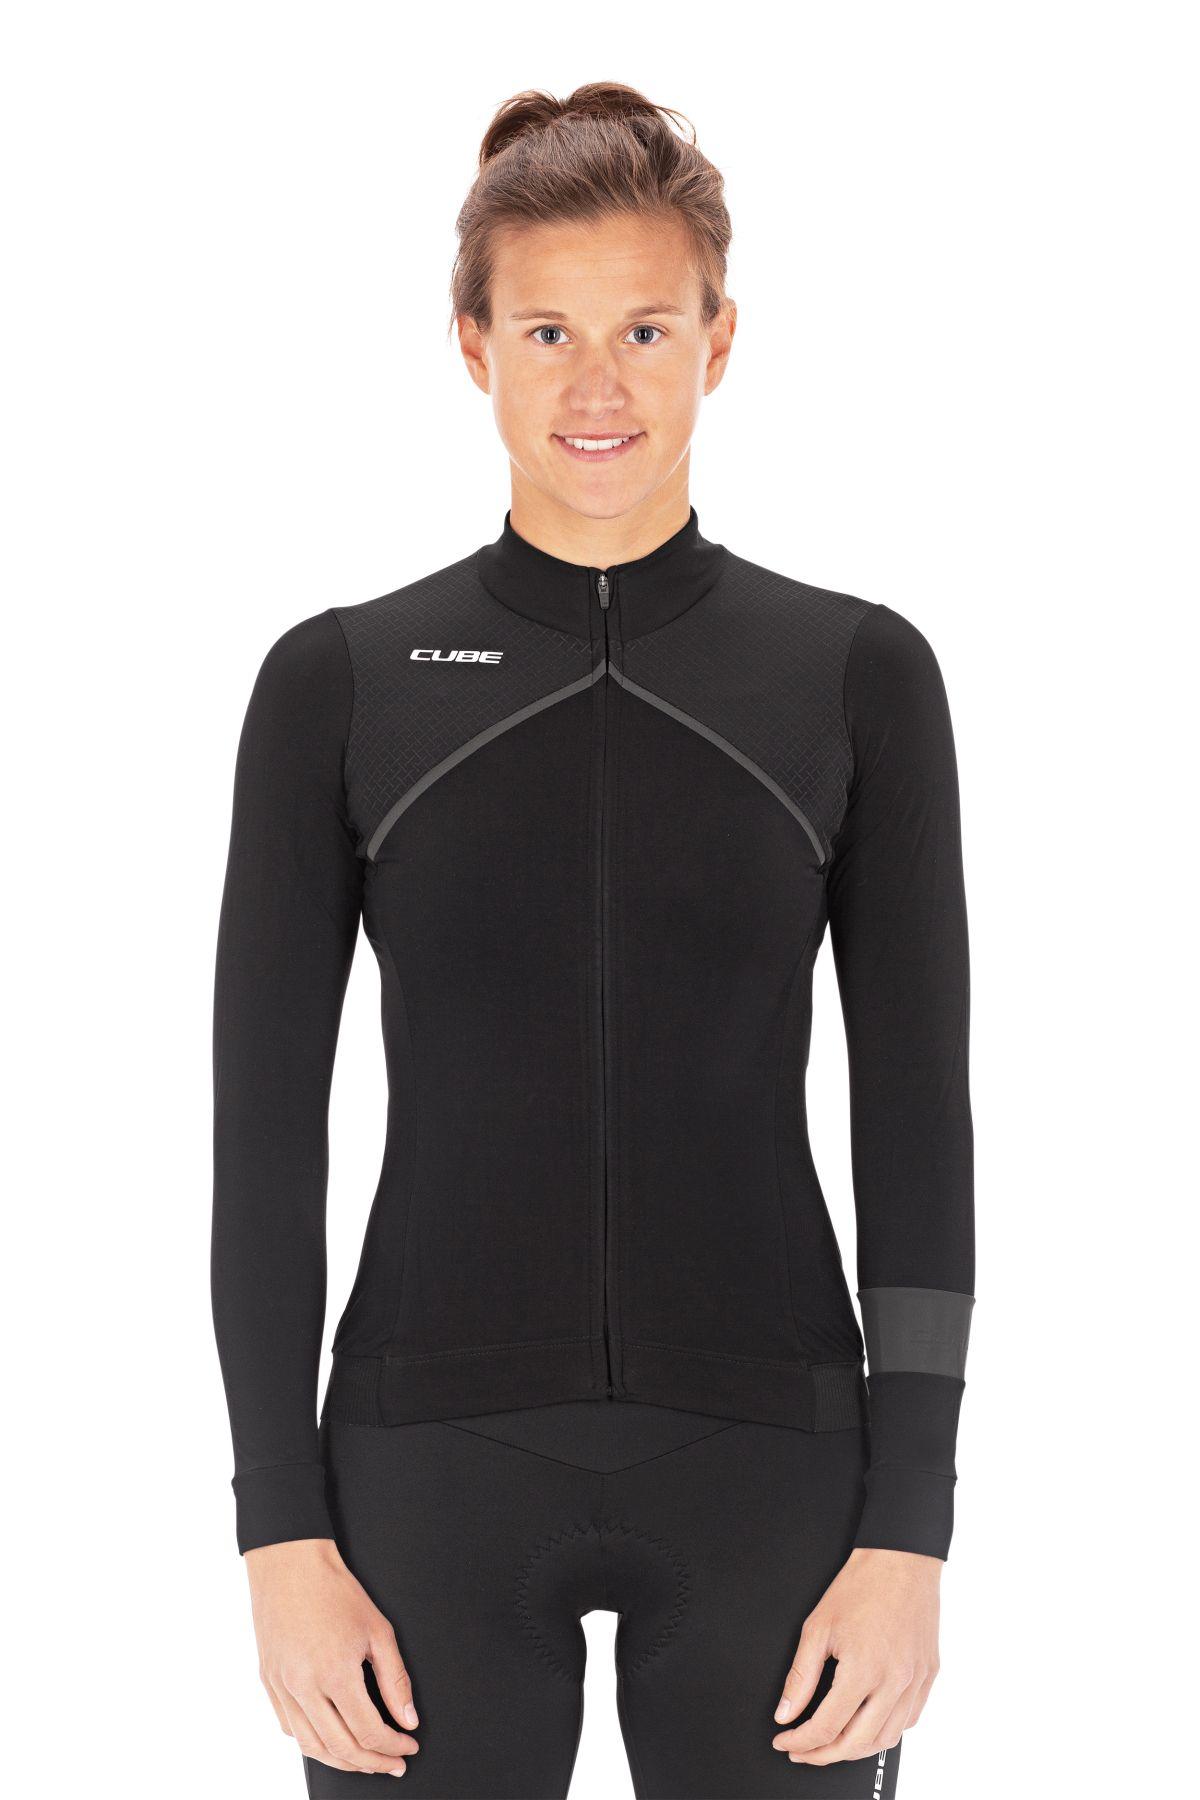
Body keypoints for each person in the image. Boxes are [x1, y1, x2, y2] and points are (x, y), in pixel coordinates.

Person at [211, 82, 975, 1800]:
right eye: (548, 330)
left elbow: (921, 1122)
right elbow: (260, 1143)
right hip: (423, 1467)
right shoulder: (341, 685)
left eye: (646, 328)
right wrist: (280, 1533)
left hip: (775, 1466)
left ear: (721, 340)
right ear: (473, 346)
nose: (598, 384)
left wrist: (911, 1529)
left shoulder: (855, 677)